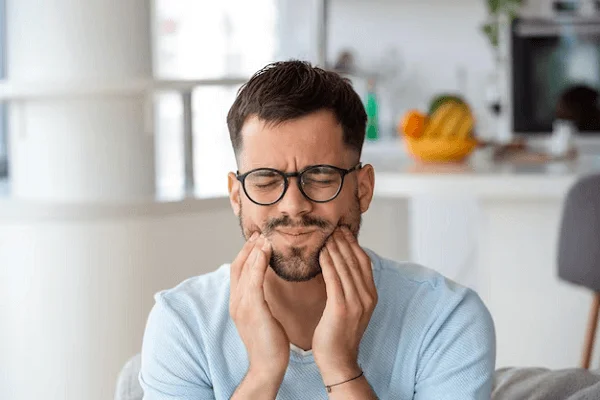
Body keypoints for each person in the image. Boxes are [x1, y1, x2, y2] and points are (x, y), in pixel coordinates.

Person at [139, 61, 496, 399]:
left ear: (363, 189)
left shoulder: (446, 318)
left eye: (321, 177)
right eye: (265, 180)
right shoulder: (183, 324)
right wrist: (263, 372)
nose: (293, 205)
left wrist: (340, 368)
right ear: (237, 197)